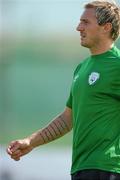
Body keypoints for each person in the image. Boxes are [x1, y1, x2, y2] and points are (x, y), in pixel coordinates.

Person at [7, 1, 120, 180]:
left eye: (85, 22)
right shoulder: (82, 68)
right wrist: (30, 142)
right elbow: (68, 119)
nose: (78, 27)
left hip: (108, 169)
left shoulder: (117, 65)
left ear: (106, 27)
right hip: (80, 168)